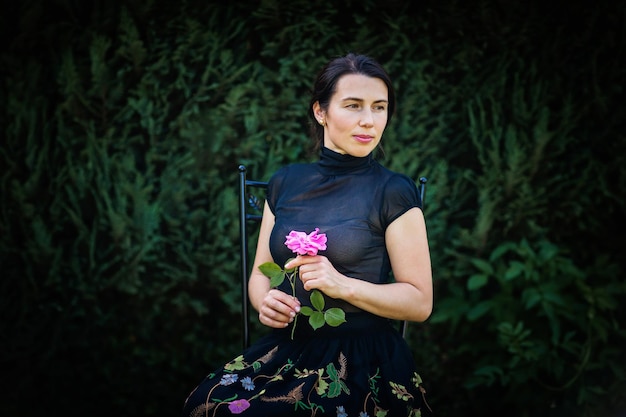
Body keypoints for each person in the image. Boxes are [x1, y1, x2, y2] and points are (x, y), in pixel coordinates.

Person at [181, 53, 433, 417]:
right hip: (288, 350)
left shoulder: (392, 191)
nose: (369, 120)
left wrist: (341, 285)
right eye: (353, 105)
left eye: (380, 107)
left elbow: (420, 302)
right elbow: (259, 274)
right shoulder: (286, 183)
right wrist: (265, 302)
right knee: (205, 406)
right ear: (320, 111)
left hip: (361, 359)